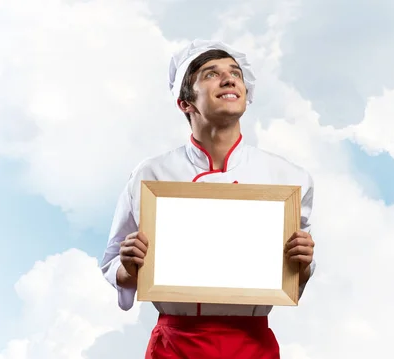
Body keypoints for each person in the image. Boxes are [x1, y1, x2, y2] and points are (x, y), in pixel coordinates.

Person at [100, 39, 317, 359]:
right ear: (185, 103)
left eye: (235, 73)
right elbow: (113, 262)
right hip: (175, 345)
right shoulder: (151, 175)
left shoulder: (288, 178)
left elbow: (293, 276)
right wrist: (129, 267)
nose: (229, 79)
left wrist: (304, 262)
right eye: (210, 74)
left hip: (251, 344)